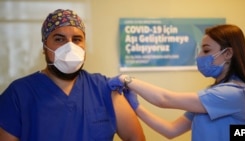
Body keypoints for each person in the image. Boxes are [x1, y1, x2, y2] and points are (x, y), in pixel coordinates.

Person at [0, 9, 145, 141]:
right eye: (59, 39)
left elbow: (136, 138)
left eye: (77, 39)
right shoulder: (18, 95)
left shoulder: (105, 89)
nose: (70, 47)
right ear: (44, 47)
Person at [108, 24, 245, 141]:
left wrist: (126, 79)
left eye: (206, 50)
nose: (200, 56)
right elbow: (171, 130)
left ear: (228, 54)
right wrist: (136, 107)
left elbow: (165, 99)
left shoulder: (235, 94)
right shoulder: (210, 96)